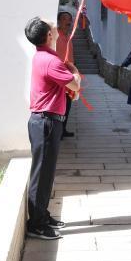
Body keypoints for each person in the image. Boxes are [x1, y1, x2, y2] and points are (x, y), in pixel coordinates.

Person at [25, 16, 81, 240]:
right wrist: (75, 72)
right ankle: (36, 225)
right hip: (46, 122)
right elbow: (74, 84)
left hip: (44, 121)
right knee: (42, 174)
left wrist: (66, 67)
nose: (56, 27)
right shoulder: (51, 61)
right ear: (49, 35)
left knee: (46, 173)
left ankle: (42, 215)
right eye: (53, 26)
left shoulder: (44, 56)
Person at [56, 11, 75, 138]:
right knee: (60, 106)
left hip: (69, 76)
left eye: (69, 19)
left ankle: (63, 129)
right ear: (59, 21)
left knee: (67, 104)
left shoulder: (68, 37)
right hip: (59, 77)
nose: (68, 22)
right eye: (64, 19)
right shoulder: (56, 37)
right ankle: (58, 131)